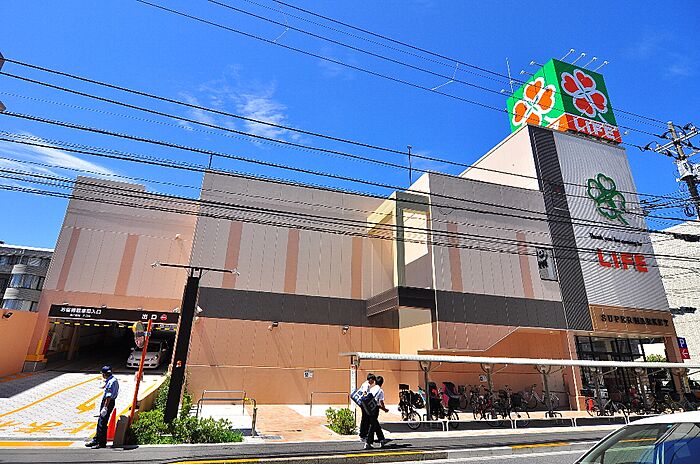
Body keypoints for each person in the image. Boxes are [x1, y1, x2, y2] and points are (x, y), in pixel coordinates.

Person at [85, 365, 119, 449]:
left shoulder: (110, 382)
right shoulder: (113, 380)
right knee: (100, 421)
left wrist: (105, 407)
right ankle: (96, 439)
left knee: (102, 423)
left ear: (104, 374)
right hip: (110, 402)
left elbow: (108, 396)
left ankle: (101, 443)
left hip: (107, 403)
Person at [364, 375, 390, 450]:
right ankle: (368, 443)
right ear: (382, 383)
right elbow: (381, 402)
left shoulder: (372, 389)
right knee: (373, 426)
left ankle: (382, 440)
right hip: (374, 409)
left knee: (375, 424)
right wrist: (385, 409)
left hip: (368, 409)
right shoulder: (380, 391)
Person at [358, 373, 376, 443]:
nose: (373, 382)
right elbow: (365, 393)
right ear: (370, 379)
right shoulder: (366, 385)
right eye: (373, 380)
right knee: (365, 419)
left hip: (363, 404)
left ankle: (363, 434)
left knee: (365, 419)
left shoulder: (364, 384)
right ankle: (363, 435)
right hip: (364, 404)